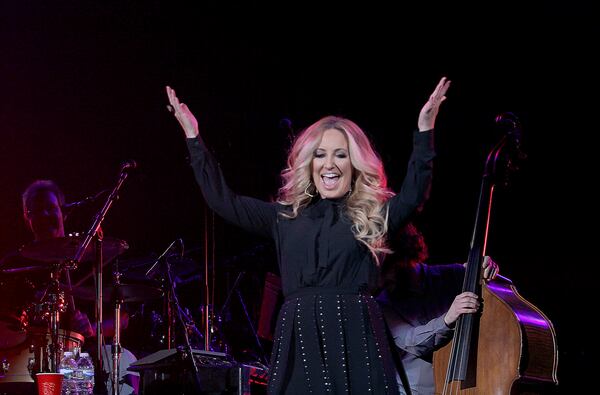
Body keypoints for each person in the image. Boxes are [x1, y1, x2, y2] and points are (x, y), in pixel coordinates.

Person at [166, 76, 451, 394]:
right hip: (301, 336)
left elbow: (413, 195)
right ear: (309, 163)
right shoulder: (284, 218)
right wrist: (194, 138)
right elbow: (224, 201)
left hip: (356, 334)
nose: (330, 164)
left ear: (354, 163)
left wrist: (425, 130)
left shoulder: (371, 217)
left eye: (340, 154)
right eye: (320, 154)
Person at [376, 223, 498, 395]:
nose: (382, 280)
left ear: (405, 257)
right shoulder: (383, 304)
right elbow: (413, 342)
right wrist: (448, 318)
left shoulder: (455, 276)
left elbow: (502, 302)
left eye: (388, 269)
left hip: (467, 386)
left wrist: (489, 273)